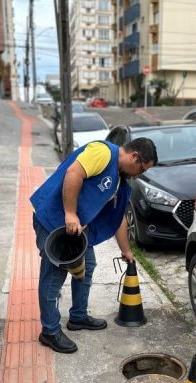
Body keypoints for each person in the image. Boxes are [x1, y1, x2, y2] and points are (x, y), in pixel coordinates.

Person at [30, 138, 158, 353]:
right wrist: (70, 213)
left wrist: (126, 251)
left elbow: (119, 218)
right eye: (141, 169)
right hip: (53, 220)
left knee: (87, 266)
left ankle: (78, 317)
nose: (139, 174)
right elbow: (73, 174)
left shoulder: (120, 179)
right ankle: (50, 331)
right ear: (134, 156)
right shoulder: (103, 152)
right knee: (53, 277)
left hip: (77, 227)